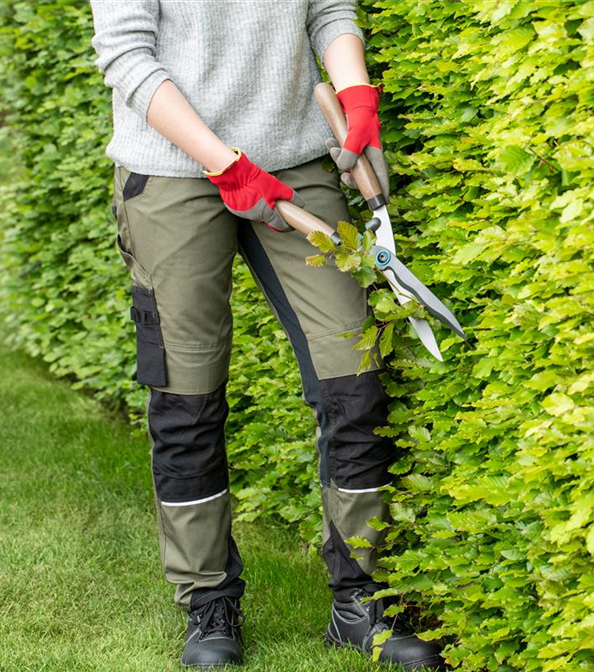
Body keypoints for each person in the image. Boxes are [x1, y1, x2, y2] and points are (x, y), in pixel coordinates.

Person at [89, 2, 442, 669]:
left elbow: (329, 11)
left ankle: (360, 600)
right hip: (172, 169)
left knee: (354, 372)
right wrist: (227, 165)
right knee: (186, 395)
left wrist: (357, 99)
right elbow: (127, 56)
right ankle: (208, 602)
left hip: (298, 161)